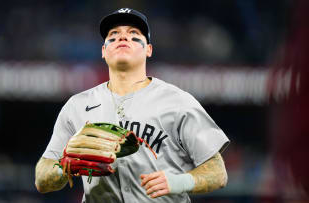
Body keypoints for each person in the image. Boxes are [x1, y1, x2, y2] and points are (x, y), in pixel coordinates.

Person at [35, 8, 230, 203]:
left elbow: (217, 173)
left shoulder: (178, 101)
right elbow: (42, 178)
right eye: (114, 34)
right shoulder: (77, 106)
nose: (123, 37)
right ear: (103, 51)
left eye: (133, 34)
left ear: (148, 49)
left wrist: (180, 182)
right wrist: (67, 167)